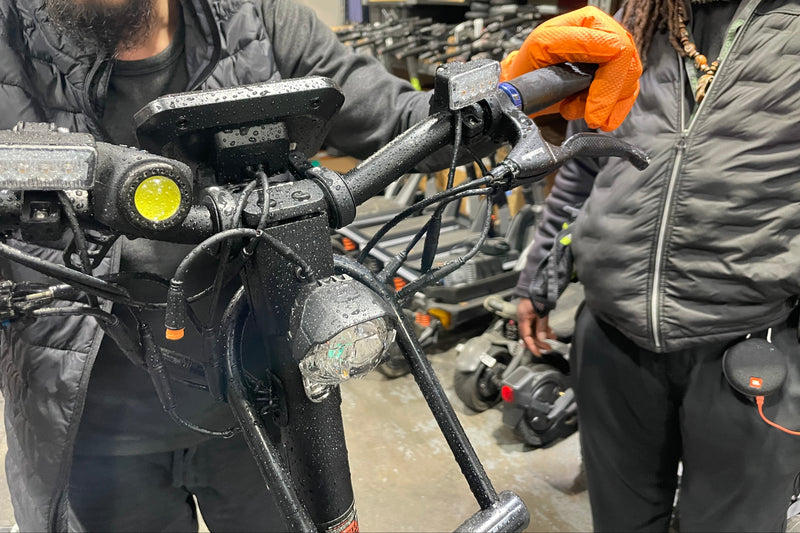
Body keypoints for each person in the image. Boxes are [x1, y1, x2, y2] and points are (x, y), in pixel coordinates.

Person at [0, 0, 640, 531]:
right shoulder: (8, 44)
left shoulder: (257, 20)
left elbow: (397, 114)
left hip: (259, 404)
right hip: (96, 432)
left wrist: (510, 91)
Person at [515, 0, 800, 531]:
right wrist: (538, 277)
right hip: (610, 336)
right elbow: (585, 158)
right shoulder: (632, 17)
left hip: (749, 346)